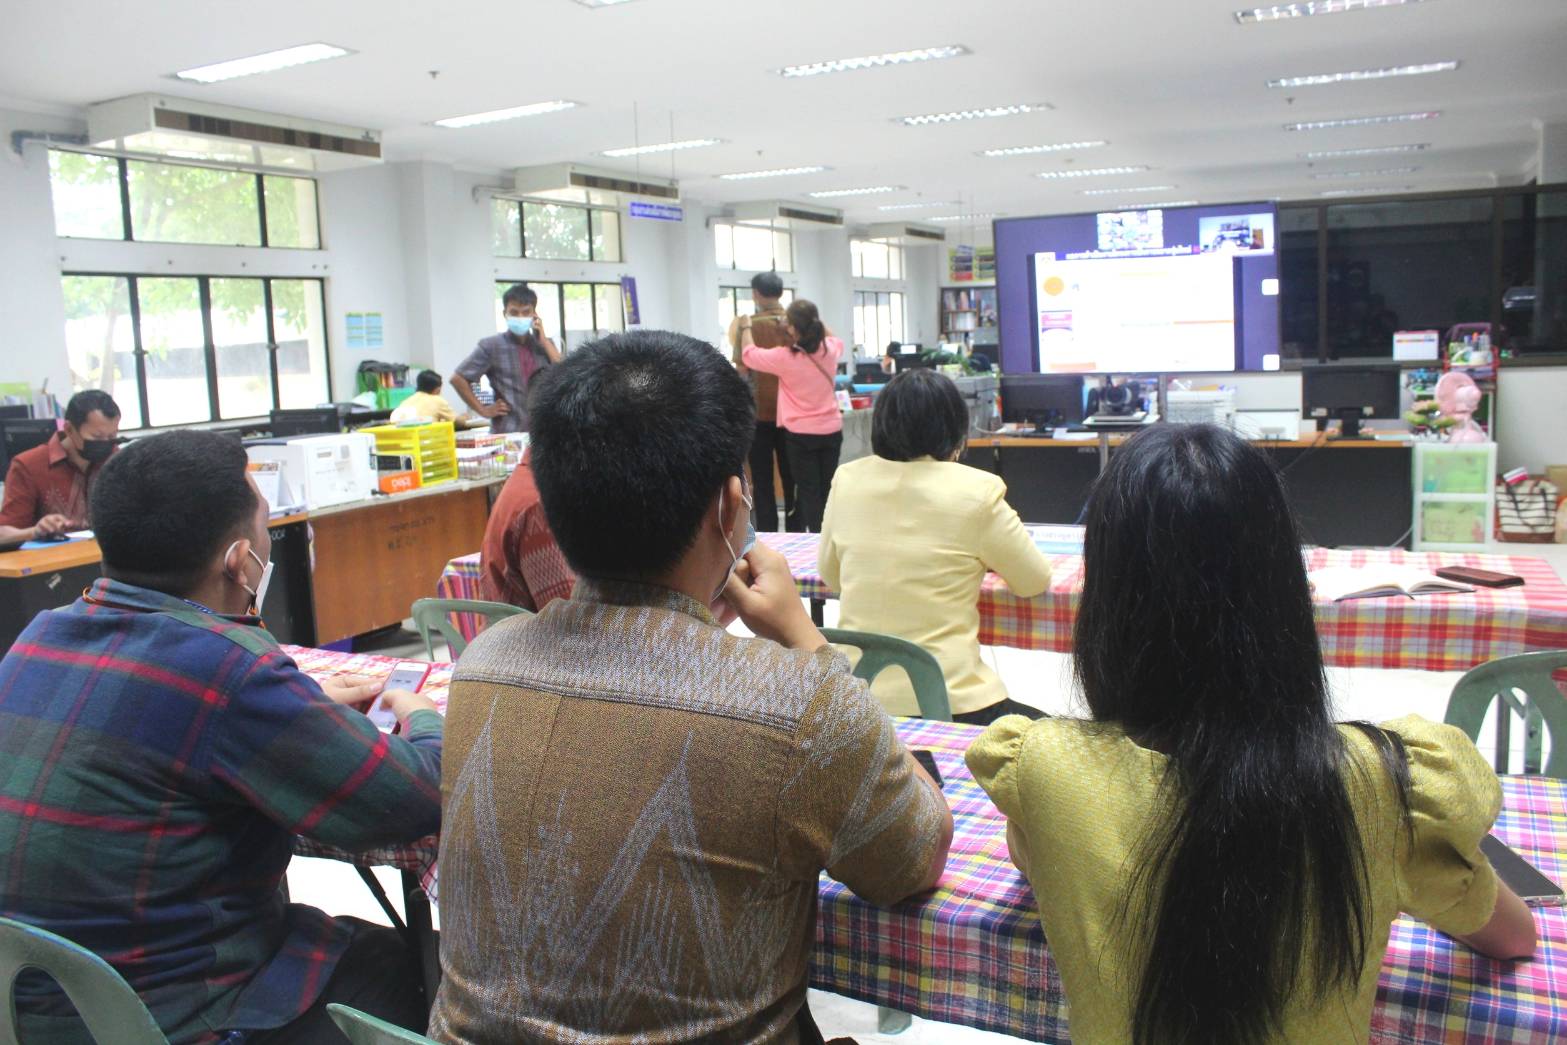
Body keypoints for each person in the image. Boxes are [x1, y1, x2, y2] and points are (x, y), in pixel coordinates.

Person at [429, 330, 951, 1044]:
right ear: (728, 505)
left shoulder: (484, 664)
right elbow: (911, 858)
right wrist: (805, 639)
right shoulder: (795, 701)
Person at [966, 424, 1536, 1045]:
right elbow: (1513, 936)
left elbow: (1033, 858)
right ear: (1284, 589)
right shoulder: (1379, 785)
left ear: (1107, 603)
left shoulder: (1045, 766)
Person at [0, 430, 445, 1044]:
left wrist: (298, 707)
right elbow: (411, 798)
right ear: (242, 561)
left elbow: (161, 727)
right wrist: (423, 717)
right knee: (426, 966)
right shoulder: (229, 669)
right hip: (170, 1018)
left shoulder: (38, 636)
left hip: (29, 1009)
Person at [819, 370, 1051, 724]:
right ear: (955, 428)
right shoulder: (978, 491)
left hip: (857, 704)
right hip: (951, 702)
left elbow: (831, 576)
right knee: (1052, 733)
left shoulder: (847, 479)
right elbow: (1033, 580)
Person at [741, 299, 844, 533]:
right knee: (827, 489)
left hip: (801, 435)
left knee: (808, 492)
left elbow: (749, 355)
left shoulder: (786, 358)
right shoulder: (829, 350)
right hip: (831, 431)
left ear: (793, 329)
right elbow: (836, 338)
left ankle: (818, 539)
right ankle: (829, 536)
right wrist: (814, 320)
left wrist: (746, 327)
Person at [0, 389, 121, 544]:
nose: (105, 443)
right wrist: (35, 531)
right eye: (97, 437)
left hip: (108, 558)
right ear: (69, 429)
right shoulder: (29, 466)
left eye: (112, 436)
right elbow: (3, 534)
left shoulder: (116, 460)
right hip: (52, 563)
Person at [726, 271, 798, 532]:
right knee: (793, 478)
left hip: (759, 413)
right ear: (780, 293)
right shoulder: (795, 326)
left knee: (763, 479)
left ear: (756, 293)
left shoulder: (748, 326)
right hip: (793, 415)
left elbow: (742, 369)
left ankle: (768, 531)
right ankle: (796, 530)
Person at [449, 284, 562, 434]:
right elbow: (458, 379)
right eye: (514, 312)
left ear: (534, 314)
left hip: (542, 432)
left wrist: (543, 338)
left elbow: (564, 371)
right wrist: (483, 410)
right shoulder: (491, 346)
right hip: (508, 431)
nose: (520, 317)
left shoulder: (544, 345)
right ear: (505, 313)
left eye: (526, 312)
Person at [478, 447, 575, 612]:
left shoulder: (526, 481)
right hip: (532, 635)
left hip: (513, 631)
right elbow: (565, 617)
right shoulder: (539, 506)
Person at [391, 369, 460, 424]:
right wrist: (464, 418)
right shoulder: (437, 400)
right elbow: (457, 421)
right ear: (437, 389)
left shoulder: (406, 401)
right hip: (427, 437)